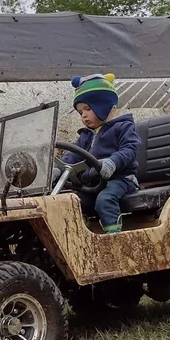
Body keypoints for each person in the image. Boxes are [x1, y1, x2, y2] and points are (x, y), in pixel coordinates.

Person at [57, 73, 141, 234]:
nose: (84, 115)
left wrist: (112, 162)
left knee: (105, 200)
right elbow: (73, 156)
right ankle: (83, 235)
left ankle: (113, 237)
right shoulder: (86, 135)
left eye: (88, 109)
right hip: (94, 184)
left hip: (121, 179)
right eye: (80, 112)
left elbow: (130, 149)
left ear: (104, 105)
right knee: (73, 202)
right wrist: (58, 168)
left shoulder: (123, 127)